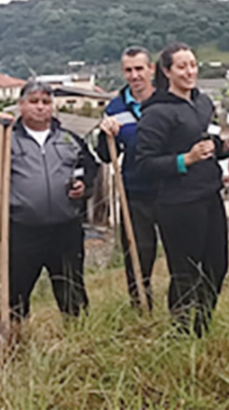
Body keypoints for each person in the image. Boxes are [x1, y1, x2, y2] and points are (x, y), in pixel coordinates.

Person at [0, 80, 97, 320]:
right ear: (21, 105)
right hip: (22, 231)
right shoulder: (7, 140)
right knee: (17, 294)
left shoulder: (69, 140)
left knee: (72, 292)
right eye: (33, 102)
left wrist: (84, 186)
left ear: (53, 107)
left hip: (65, 229)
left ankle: (79, 340)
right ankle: (15, 340)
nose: (40, 107)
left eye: (46, 102)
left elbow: (89, 168)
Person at [135, 43, 229, 336]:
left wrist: (228, 146)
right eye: (182, 66)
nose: (190, 71)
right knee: (185, 272)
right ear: (166, 72)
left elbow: (212, 146)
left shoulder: (203, 103)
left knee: (217, 265)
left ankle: (203, 326)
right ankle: (180, 332)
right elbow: (144, 163)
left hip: (209, 196)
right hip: (177, 204)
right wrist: (184, 160)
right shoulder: (157, 113)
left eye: (192, 64)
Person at [94, 46, 159, 311]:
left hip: (171, 189)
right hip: (135, 192)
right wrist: (104, 134)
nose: (135, 76)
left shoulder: (166, 100)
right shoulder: (115, 107)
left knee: (180, 253)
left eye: (139, 69)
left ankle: (184, 308)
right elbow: (105, 156)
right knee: (137, 254)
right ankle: (142, 309)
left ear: (151, 69)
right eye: (129, 70)